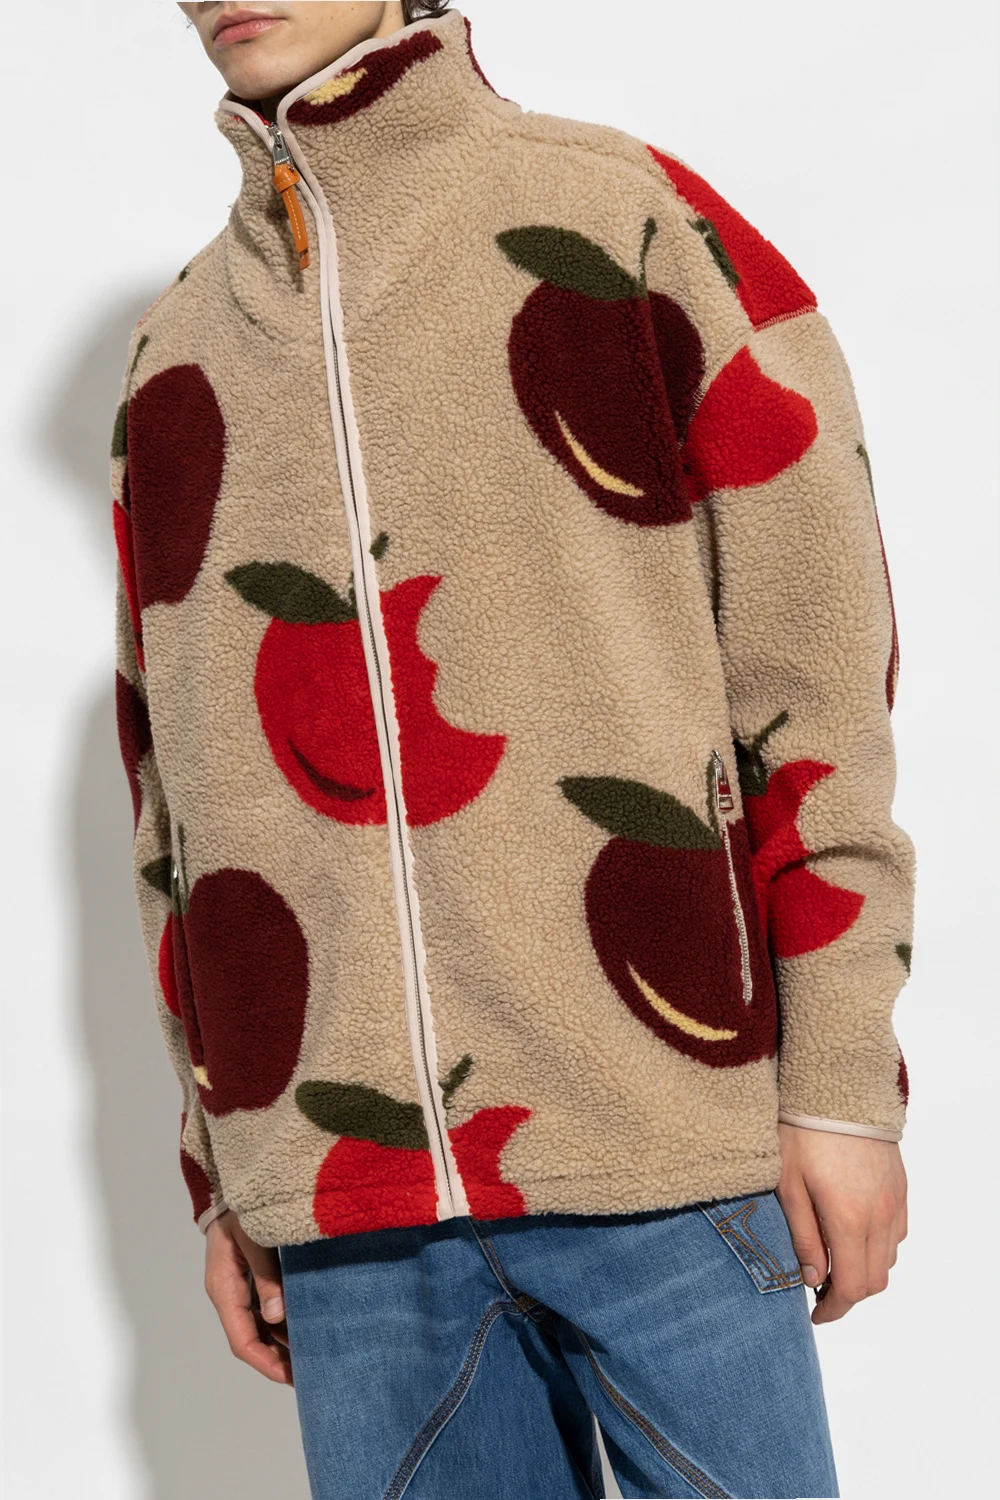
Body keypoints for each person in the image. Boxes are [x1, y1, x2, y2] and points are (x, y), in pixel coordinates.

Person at [110, 3, 915, 1495]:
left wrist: (843, 1087)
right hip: (349, 1222)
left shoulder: (624, 221)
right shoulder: (179, 355)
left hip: (668, 1156)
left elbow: (815, 683)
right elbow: (174, 802)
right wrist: (229, 1171)